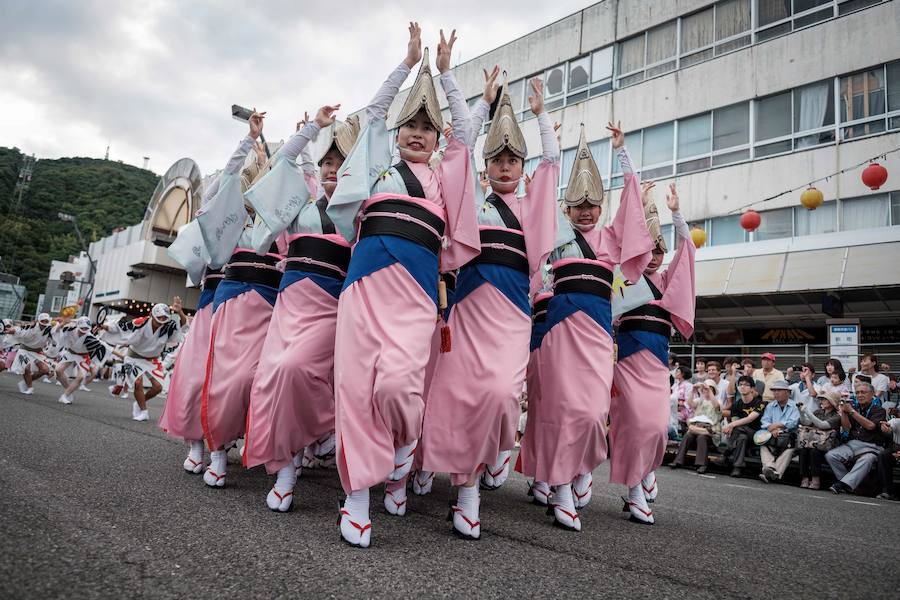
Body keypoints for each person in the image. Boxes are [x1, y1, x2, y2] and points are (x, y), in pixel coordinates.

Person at [326, 25, 480, 548]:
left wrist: (446, 74)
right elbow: (372, 114)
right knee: (355, 390)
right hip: (365, 288)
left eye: (427, 129)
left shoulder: (443, 179)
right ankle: (356, 499)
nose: (417, 134)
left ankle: (404, 442)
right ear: (397, 134)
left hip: (416, 294)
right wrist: (406, 65)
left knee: (397, 387)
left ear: (437, 141)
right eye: (409, 126)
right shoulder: (376, 170)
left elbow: (466, 132)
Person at [419, 67, 561, 539]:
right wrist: (478, 99)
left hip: (512, 317)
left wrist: (541, 117)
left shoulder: (531, 207)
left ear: (521, 168)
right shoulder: (473, 203)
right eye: (497, 159)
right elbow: (459, 148)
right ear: (486, 165)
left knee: (501, 397)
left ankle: (490, 455)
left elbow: (551, 165)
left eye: (512, 161)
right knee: (457, 398)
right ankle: (467, 492)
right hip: (469, 311)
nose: (504, 167)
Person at [529, 119, 653, 532]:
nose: (585, 210)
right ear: (566, 209)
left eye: (592, 204)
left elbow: (633, 209)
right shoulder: (557, 236)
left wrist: (622, 153)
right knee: (562, 410)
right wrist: (550, 141)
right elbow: (538, 202)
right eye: (577, 204)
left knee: (593, 413)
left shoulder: (612, 240)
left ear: (601, 208)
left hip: (598, 333)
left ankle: (580, 469)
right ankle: (562, 487)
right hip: (560, 332)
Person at [241, 106, 360, 513]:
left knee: (296, 369)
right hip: (290, 302)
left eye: (340, 162)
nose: (332, 168)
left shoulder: (358, 210)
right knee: (273, 377)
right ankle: (287, 468)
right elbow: (283, 163)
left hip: (332, 305)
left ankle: (323, 429)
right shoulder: (301, 204)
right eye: (327, 161)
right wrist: (312, 129)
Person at [195, 107, 285, 489]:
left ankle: (267, 447)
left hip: (274, 303)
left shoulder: (281, 217)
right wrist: (248, 141)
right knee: (227, 380)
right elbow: (221, 185)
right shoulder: (230, 217)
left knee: (263, 379)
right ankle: (217, 451)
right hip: (233, 300)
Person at [609, 180, 695, 525]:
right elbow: (618, 240)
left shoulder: (667, 281)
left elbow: (687, 253)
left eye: (660, 251)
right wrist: (638, 203)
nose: (655, 257)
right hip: (629, 361)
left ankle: (646, 470)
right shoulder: (624, 276)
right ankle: (634, 490)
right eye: (649, 250)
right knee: (634, 425)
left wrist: (676, 214)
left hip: (657, 365)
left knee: (657, 428)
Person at [99, 300, 186, 421]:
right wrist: (104, 326)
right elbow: (121, 328)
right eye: (159, 317)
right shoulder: (140, 322)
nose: (161, 320)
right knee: (138, 382)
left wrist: (180, 312)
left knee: (158, 387)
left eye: (164, 317)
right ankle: (144, 411)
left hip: (152, 360)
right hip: (133, 358)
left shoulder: (167, 326)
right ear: (151, 315)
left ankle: (140, 402)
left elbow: (182, 324)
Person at [826, 380, 887, 494]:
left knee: (867, 459)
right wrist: (844, 413)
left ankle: (842, 484)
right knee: (831, 455)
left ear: (872, 394)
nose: (860, 395)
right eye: (857, 392)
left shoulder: (879, 410)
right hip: (853, 445)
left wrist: (851, 411)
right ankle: (848, 484)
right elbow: (846, 428)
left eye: (863, 392)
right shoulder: (853, 407)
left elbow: (870, 426)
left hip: (872, 447)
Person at [670, 379, 723, 473]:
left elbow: (716, 406)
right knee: (688, 435)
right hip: (697, 428)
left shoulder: (718, 401)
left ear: (713, 390)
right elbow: (689, 403)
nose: (705, 390)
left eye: (709, 389)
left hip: (711, 431)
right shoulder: (699, 401)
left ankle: (702, 464)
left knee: (702, 437)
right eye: (704, 389)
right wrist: (693, 390)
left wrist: (708, 389)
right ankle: (678, 461)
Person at [53, 316, 109, 405]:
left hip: (83, 357)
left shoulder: (91, 337)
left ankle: (65, 396)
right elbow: (57, 331)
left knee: (81, 377)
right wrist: (63, 323)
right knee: (58, 370)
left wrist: (121, 356)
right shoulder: (70, 329)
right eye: (82, 328)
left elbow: (105, 347)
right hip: (70, 353)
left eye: (86, 328)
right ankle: (69, 391)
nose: (84, 330)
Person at [796, 391, 841, 489]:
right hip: (814, 442)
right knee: (803, 450)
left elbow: (822, 425)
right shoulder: (818, 412)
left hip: (828, 445)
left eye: (824, 399)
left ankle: (816, 479)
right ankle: (804, 478)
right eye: (822, 399)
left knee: (815, 452)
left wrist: (807, 411)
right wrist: (801, 412)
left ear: (831, 402)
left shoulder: (837, 416)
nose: (821, 401)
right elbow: (806, 423)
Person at [757, 380, 800, 483]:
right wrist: (772, 428)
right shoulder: (770, 405)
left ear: (788, 392)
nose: (776, 393)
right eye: (774, 390)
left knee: (790, 450)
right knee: (763, 445)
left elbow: (794, 422)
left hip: (789, 438)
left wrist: (778, 427)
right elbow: (764, 421)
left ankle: (770, 472)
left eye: (779, 390)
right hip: (773, 436)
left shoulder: (795, 406)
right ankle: (771, 470)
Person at [722, 375, 765, 477]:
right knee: (742, 437)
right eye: (740, 385)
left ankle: (726, 453)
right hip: (742, 435)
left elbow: (750, 419)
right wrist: (732, 425)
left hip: (756, 435)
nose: (742, 387)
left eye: (746, 385)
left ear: (752, 388)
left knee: (738, 428)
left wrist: (731, 425)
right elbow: (735, 422)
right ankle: (737, 467)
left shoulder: (760, 403)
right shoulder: (736, 404)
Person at [3, 312, 54, 395]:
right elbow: (19, 329)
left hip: (37, 353)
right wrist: (12, 330)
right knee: (26, 368)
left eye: (46, 321)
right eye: (43, 321)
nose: (44, 323)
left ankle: (25, 382)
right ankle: (30, 387)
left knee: (45, 370)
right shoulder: (31, 326)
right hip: (24, 350)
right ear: (39, 320)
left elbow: (57, 338)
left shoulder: (50, 330)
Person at [875, 418, 900, 500]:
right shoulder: (896, 421)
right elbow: (888, 426)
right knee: (883, 456)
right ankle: (887, 491)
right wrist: (885, 427)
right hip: (896, 448)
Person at [671, 366, 693, 431]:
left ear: (682, 374)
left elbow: (689, 401)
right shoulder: (675, 385)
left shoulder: (689, 385)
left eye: (677, 371)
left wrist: (679, 404)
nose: (675, 373)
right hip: (674, 410)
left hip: (685, 412)